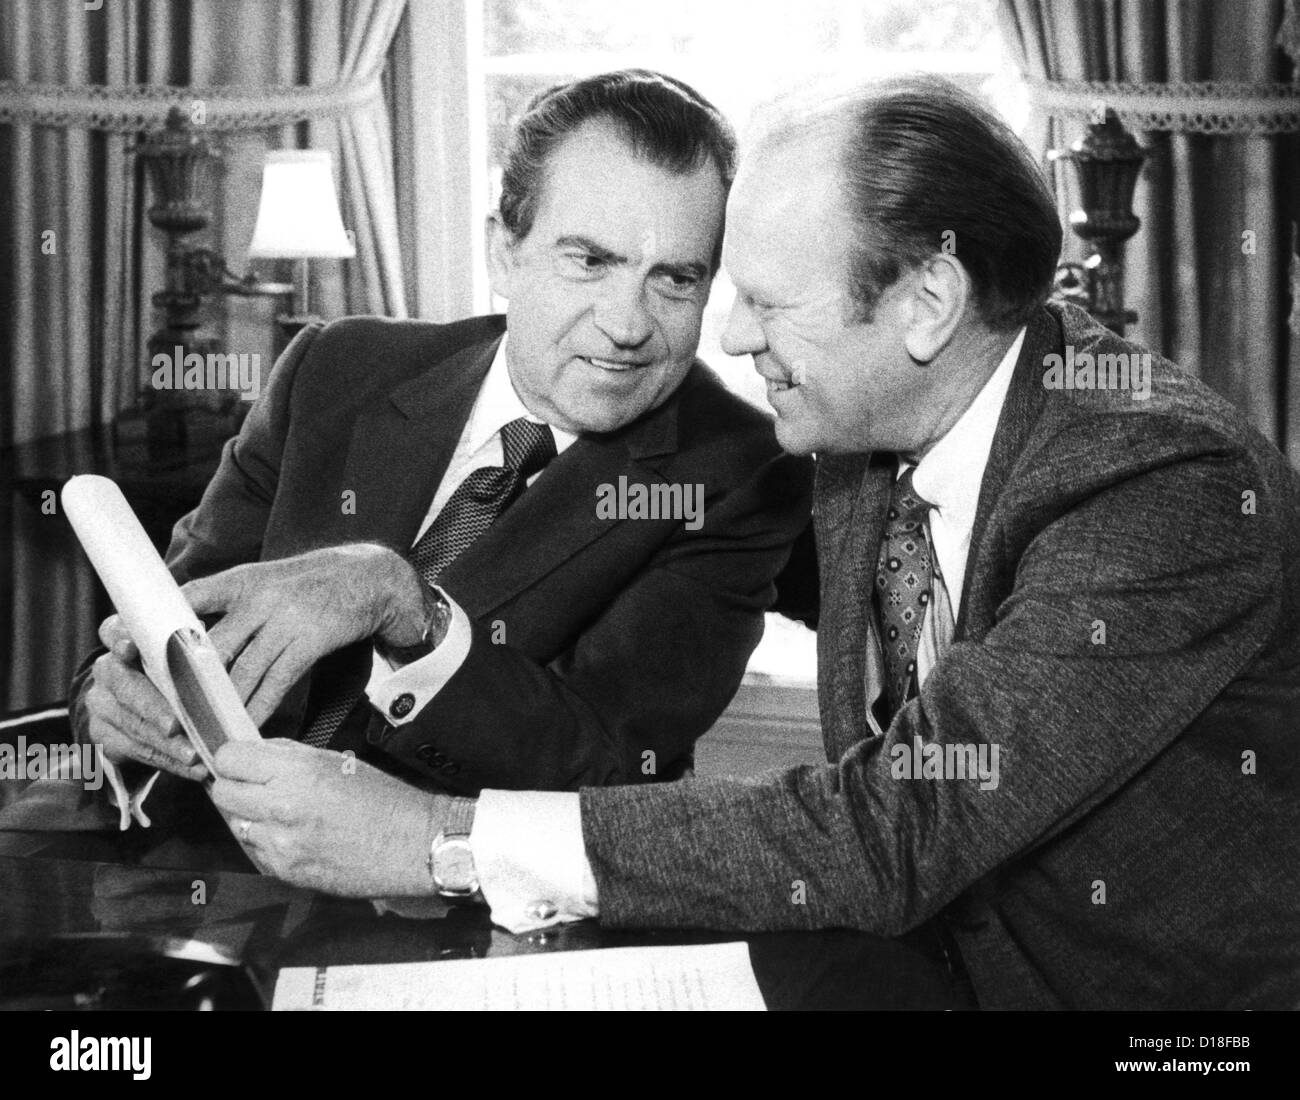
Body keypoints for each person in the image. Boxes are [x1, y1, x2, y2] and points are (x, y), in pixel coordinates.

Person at [208, 74, 1300, 1009]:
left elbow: (895, 824)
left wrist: (436, 834)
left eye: (765, 303)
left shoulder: (1162, 483)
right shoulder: (858, 437)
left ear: (927, 302)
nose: (726, 337)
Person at [69, 69, 813, 806]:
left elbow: (611, 769)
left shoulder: (737, 471)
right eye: (589, 260)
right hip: (203, 864)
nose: (627, 325)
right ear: (504, 254)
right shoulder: (334, 368)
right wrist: (109, 708)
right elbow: (165, 629)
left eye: (676, 280)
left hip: (460, 907)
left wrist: (410, 612)